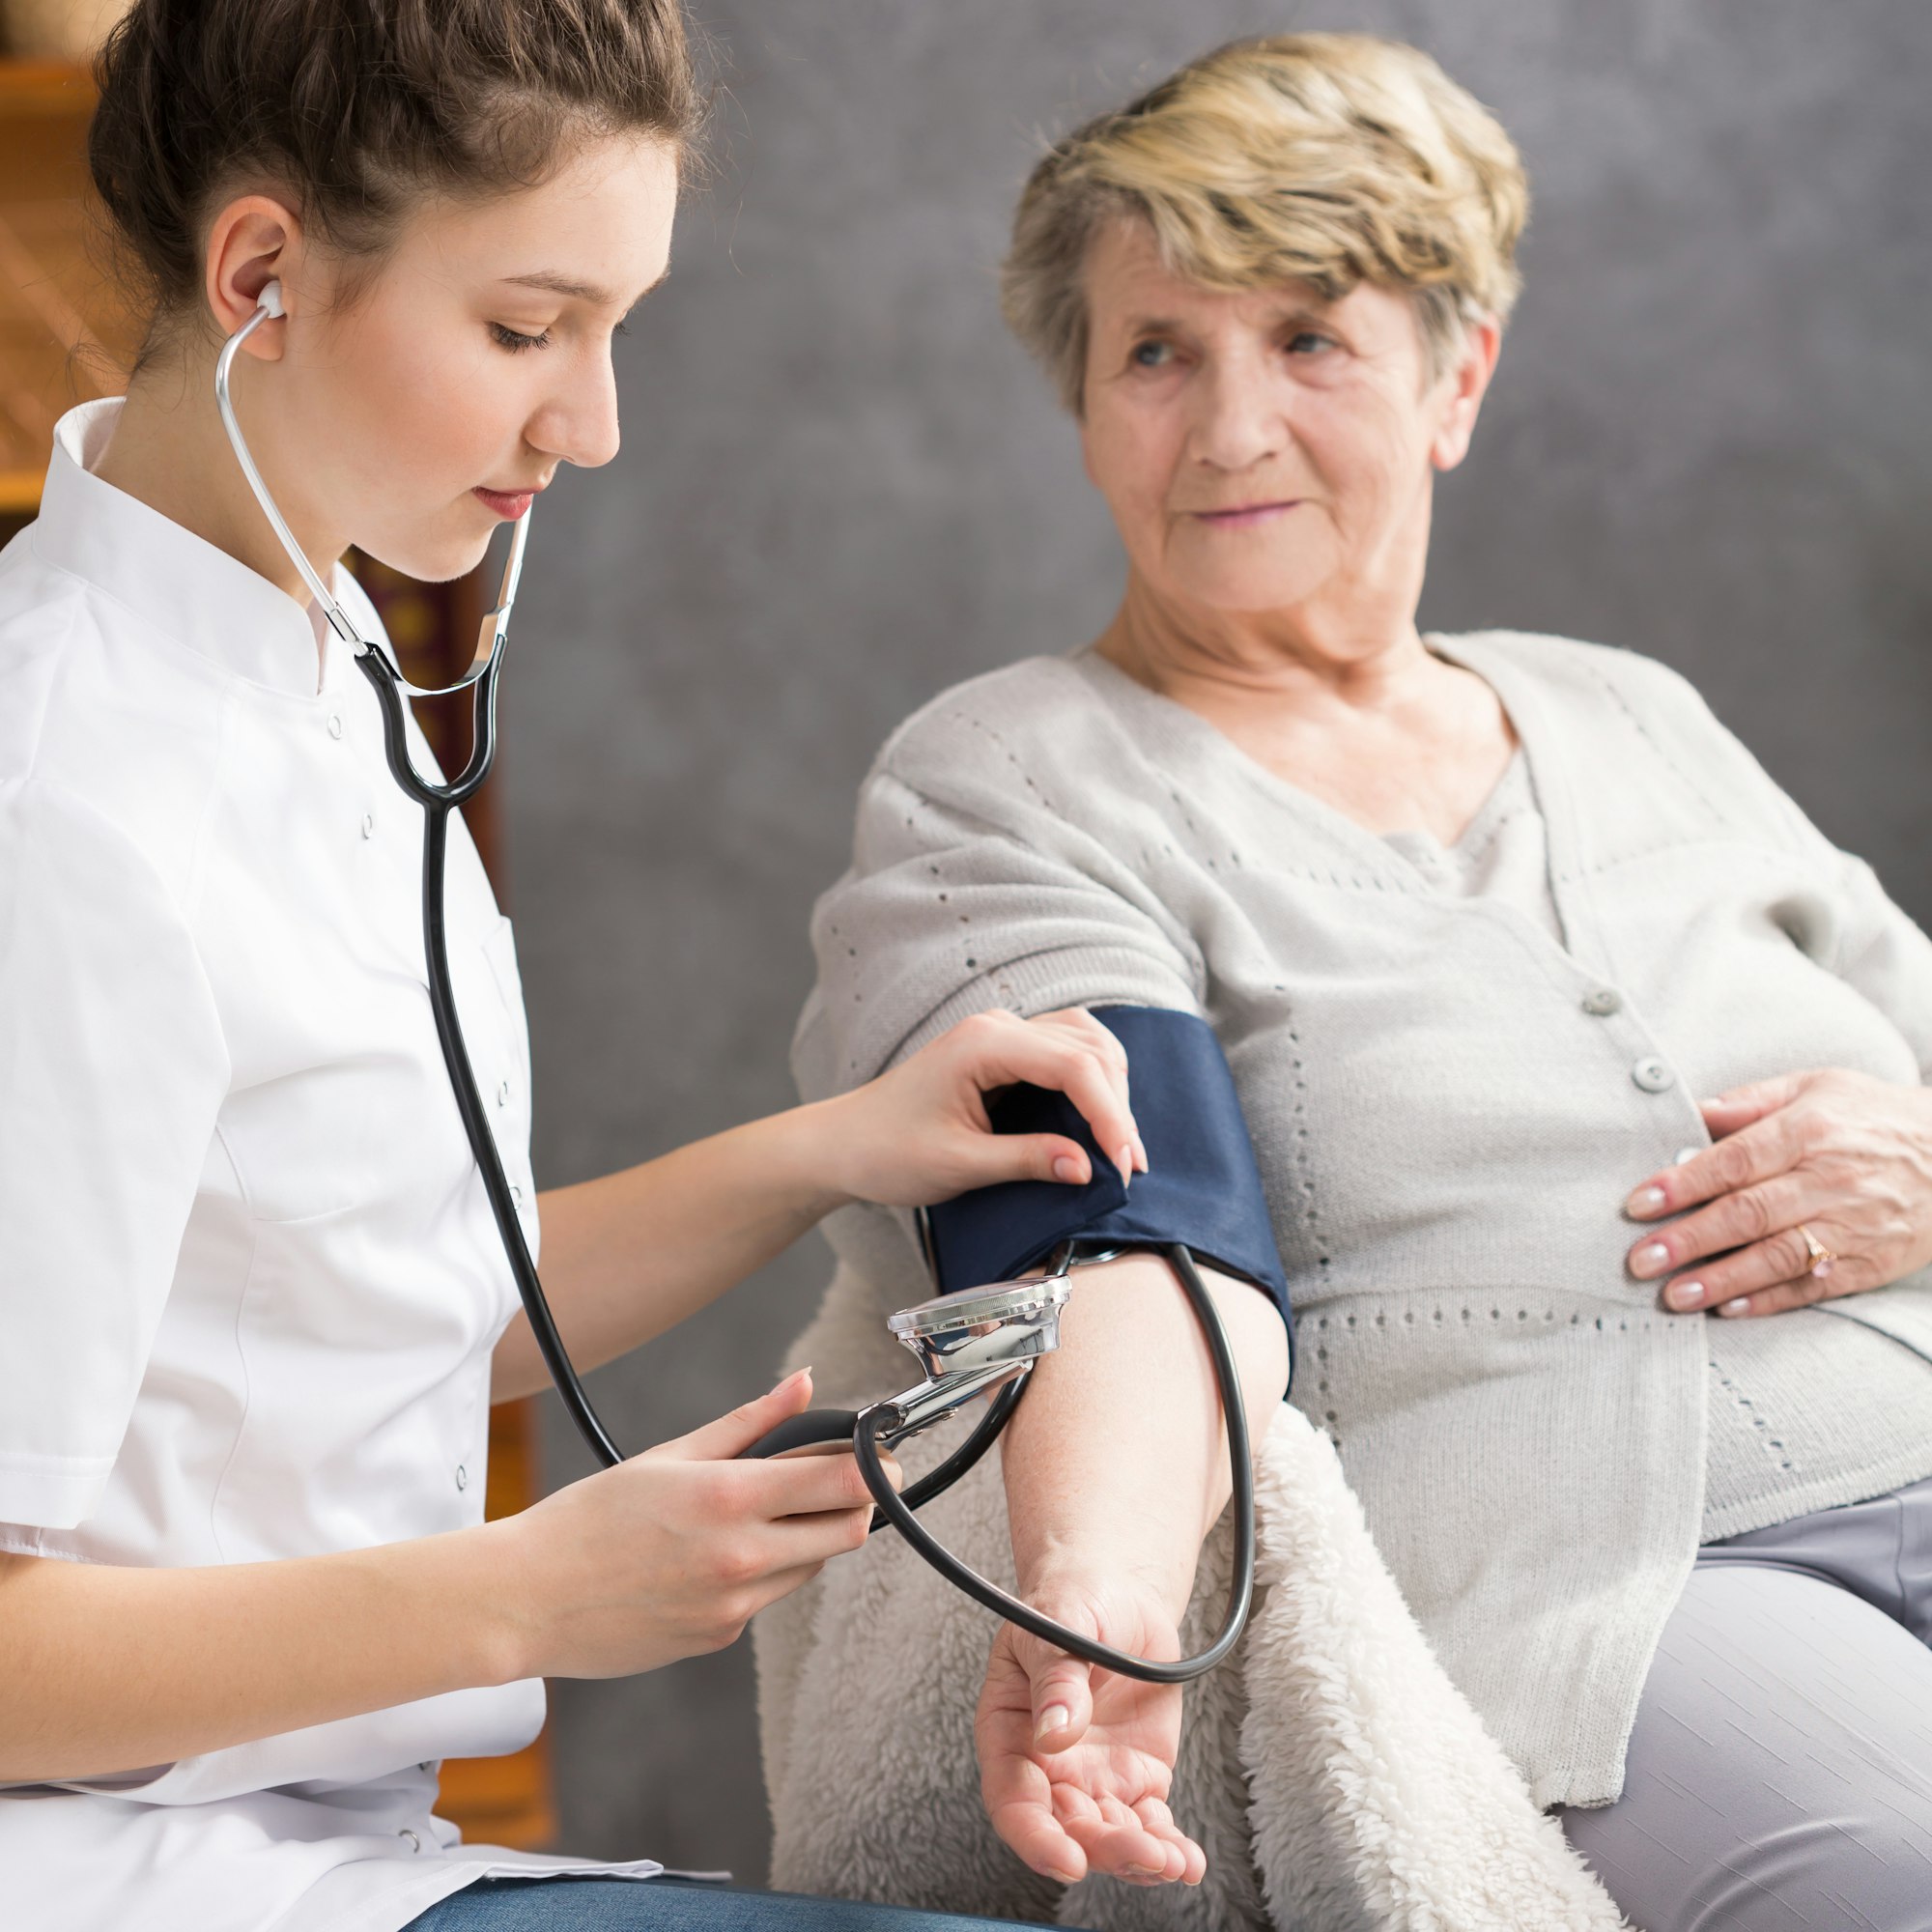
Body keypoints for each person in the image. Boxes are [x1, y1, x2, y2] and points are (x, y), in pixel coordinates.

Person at [759, 32, 1932, 1932]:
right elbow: (1115, 1238)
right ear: (1082, 399)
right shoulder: (1010, 776)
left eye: (1307, 336)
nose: (1227, 430)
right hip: (1630, 1597)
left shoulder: (1630, 710)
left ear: (1453, 376)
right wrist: (1109, 1592)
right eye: (1157, 352)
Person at [0, 4, 1146, 1929]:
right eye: (528, 328)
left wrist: (832, 1149)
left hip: (341, 1850)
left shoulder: (322, 657)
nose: (594, 423)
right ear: (262, 274)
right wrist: (537, 1589)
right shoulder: (66, 808)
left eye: (617, 329)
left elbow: (365, 1307)